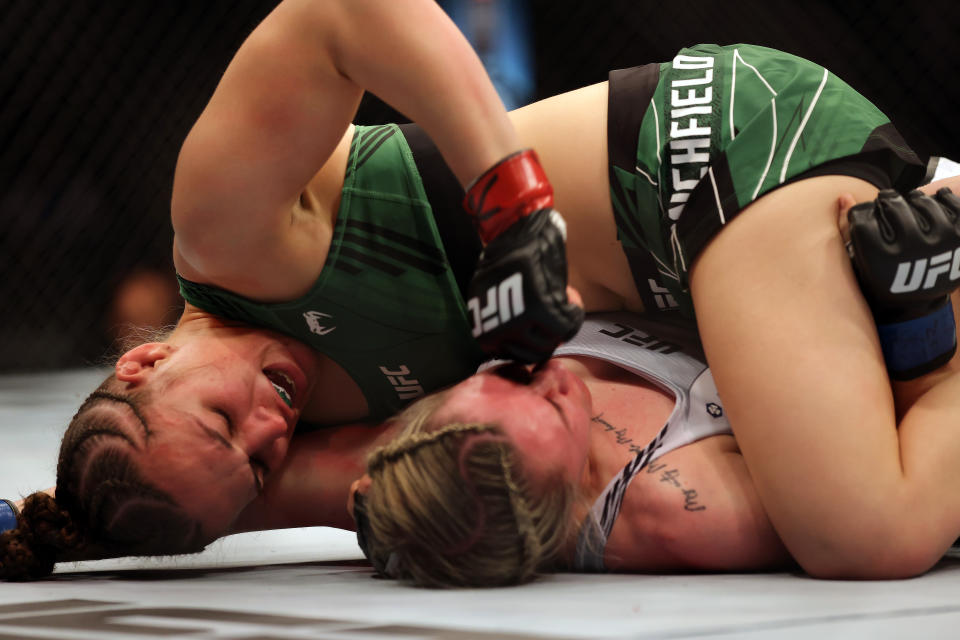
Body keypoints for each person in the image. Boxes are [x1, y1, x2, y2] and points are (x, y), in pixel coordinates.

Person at [3, 0, 960, 581]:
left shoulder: (228, 237)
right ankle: (923, 279)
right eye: (256, 463)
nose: (266, 436)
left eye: (222, 423)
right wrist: (41, 532)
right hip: (705, 281)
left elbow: (338, 19)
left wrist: (511, 203)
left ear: (145, 359)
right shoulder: (267, 431)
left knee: (859, 532)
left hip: (699, 162)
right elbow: (201, 504)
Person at [351, 312, 796, 587]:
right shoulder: (687, 508)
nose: (553, 375)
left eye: (509, 380)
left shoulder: (432, 466)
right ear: (569, 499)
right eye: (554, 407)